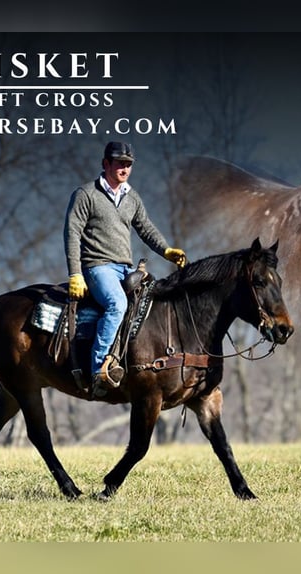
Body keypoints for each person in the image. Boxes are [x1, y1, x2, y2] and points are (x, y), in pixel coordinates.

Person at [64, 141, 187, 393]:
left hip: (125, 268)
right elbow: (72, 233)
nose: (125, 168)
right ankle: (98, 368)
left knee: (150, 306)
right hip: (98, 267)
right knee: (117, 304)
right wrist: (75, 273)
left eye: (129, 164)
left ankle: (130, 364)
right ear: (106, 164)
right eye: (120, 163)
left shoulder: (132, 198)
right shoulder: (86, 194)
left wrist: (166, 250)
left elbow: (146, 228)